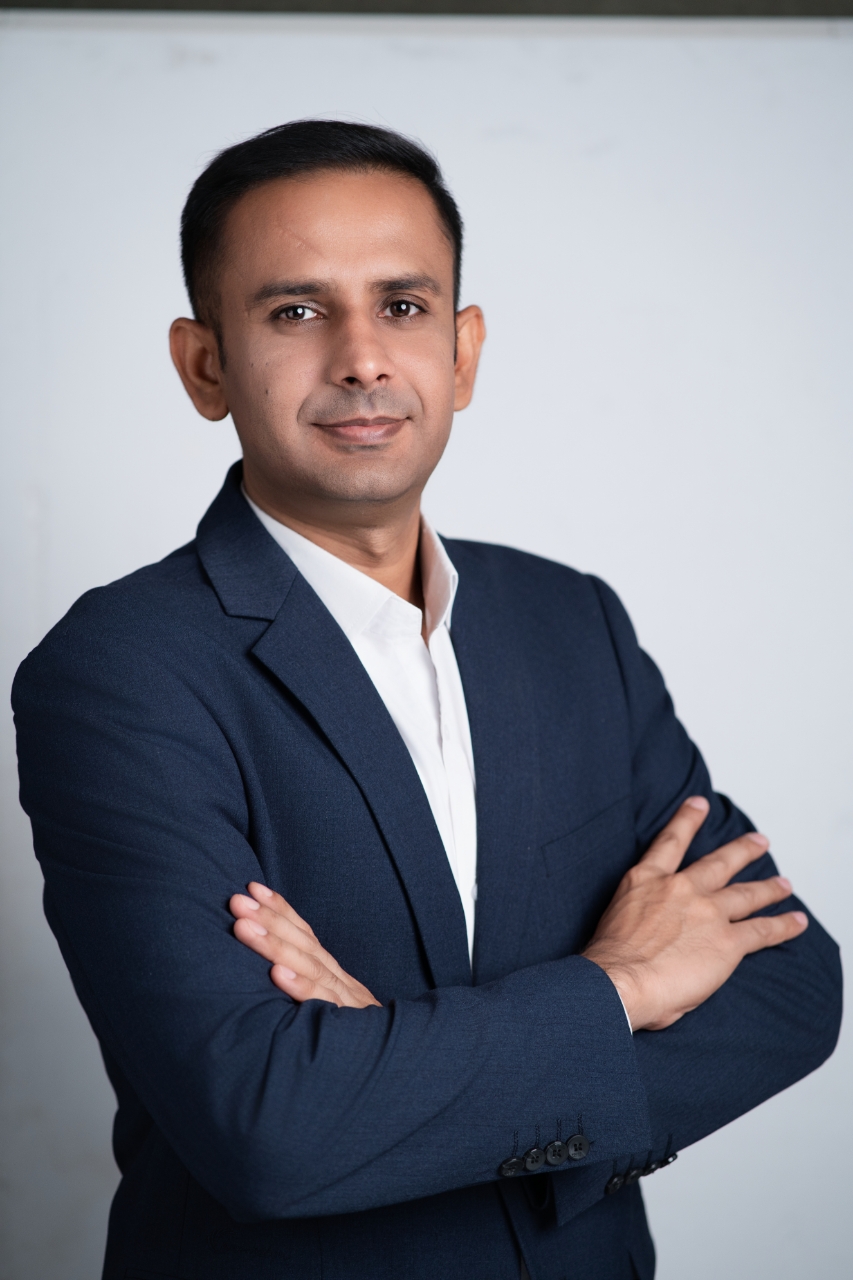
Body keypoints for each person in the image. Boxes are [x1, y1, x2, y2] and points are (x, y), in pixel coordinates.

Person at [13, 120, 841, 1280]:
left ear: (462, 350)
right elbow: (268, 1123)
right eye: (295, 311)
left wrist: (389, 1068)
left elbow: (789, 986)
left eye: (401, 305)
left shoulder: (571, 622)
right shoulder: (121, 669)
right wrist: (621, 986)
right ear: (205, 365)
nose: (361, 358)